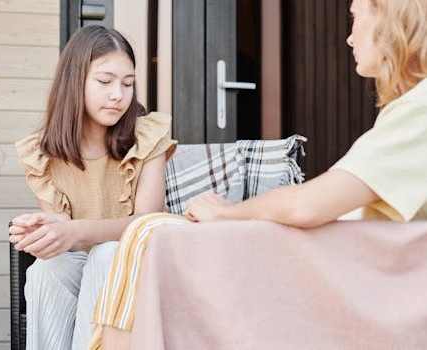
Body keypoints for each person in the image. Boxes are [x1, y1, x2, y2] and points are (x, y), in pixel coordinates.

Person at [91, 0, 427, 348]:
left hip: (351, 284)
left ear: (388, 20)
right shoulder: (411, 110)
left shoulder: (421, 110)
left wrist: (226, 214)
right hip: (344, 273)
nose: (350, 38)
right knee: (149, 235)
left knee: (148, 232)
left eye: (356, 18)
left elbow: (308, 206)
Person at [8, 25, 176, 350]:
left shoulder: (148, 137)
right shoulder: (42, 154)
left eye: (128, 84)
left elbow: (146, 223)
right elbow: (63, 236)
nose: (118, 94)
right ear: (75, 82)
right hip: (80, 269)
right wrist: (40, 231)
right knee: (47, 268)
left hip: (140, 267)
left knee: (106, 254)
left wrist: (74, 231)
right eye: (104, 81)